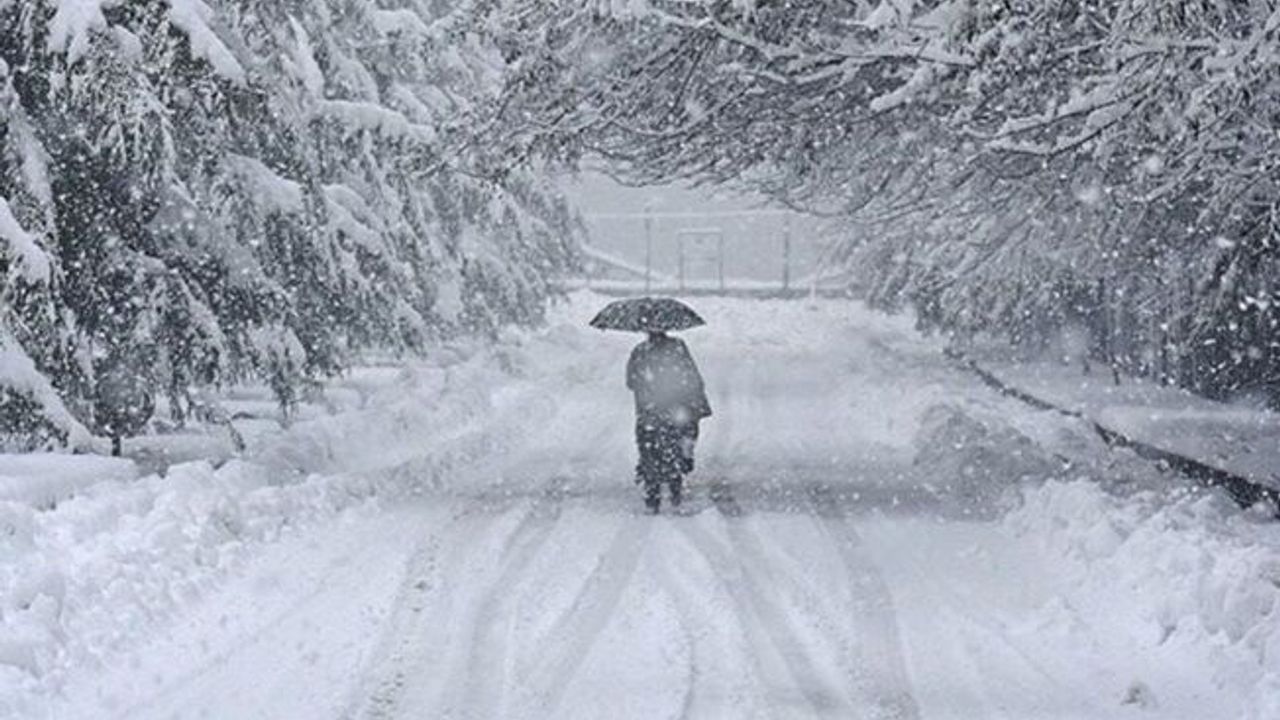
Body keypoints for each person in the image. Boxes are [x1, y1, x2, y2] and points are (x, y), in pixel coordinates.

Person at [626, 330, 711, 513]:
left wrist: (647, 387)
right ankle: (675, 489)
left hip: (649, 412)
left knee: (649, 450)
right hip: (675, 410)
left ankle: (652, 493)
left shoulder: (640, 351)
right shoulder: (678, 348)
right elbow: (691, 377)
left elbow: (631, 381)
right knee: (674, 447)